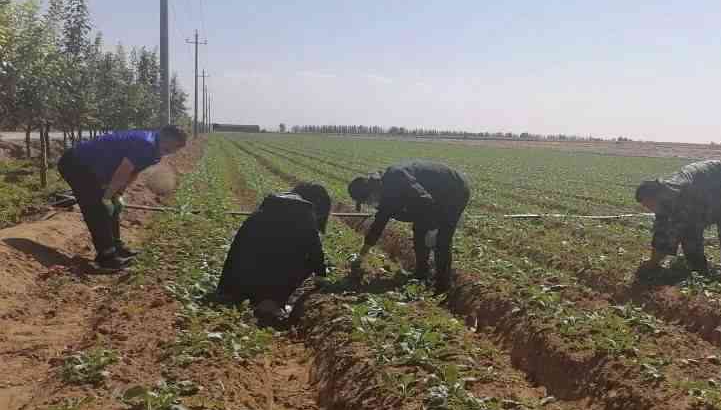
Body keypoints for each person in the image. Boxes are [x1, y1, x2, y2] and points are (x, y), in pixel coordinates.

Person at [57, 125, 188, 271]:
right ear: (164, 136)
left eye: (175, 149)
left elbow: (133, 172)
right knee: (96, 208)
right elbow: (123, 171)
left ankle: (116, 247)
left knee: (111, 205)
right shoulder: (145, 143)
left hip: (94, 168)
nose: (172, 152)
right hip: (76, 163)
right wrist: (106, 198)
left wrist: (117, 195)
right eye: (172, 146)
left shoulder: (156, 151)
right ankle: (106, 258)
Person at [216, 182, 331, 326]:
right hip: (274, 275)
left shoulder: (268, 205)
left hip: (242, 271)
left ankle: (247, 298)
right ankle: (272, 302)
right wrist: (321, 275)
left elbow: (240, 249)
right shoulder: (305, 212)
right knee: (305, 263)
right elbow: (315, 249)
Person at [348, 161, 470, 292]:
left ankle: (442, 286)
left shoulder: (396, 177)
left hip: (453, 189)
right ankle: (421, 274)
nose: (370, 203)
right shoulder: (384, 195)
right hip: (430, 197)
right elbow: (378, 225)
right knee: (419, 231)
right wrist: (362, 256)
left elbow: (425, 200)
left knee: (441, 240)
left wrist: (433, 228)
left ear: (372, 190)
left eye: (368, 200)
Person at [634, 160, 721, 279]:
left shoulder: (678, 190)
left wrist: (653, 263)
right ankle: (699, 270)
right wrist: (653, 262)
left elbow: (671, 230)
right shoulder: (663, 203)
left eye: (649, 204)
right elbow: (662, 233)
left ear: (656, 195)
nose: (649, 208)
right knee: (690, 229)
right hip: (704, 192)